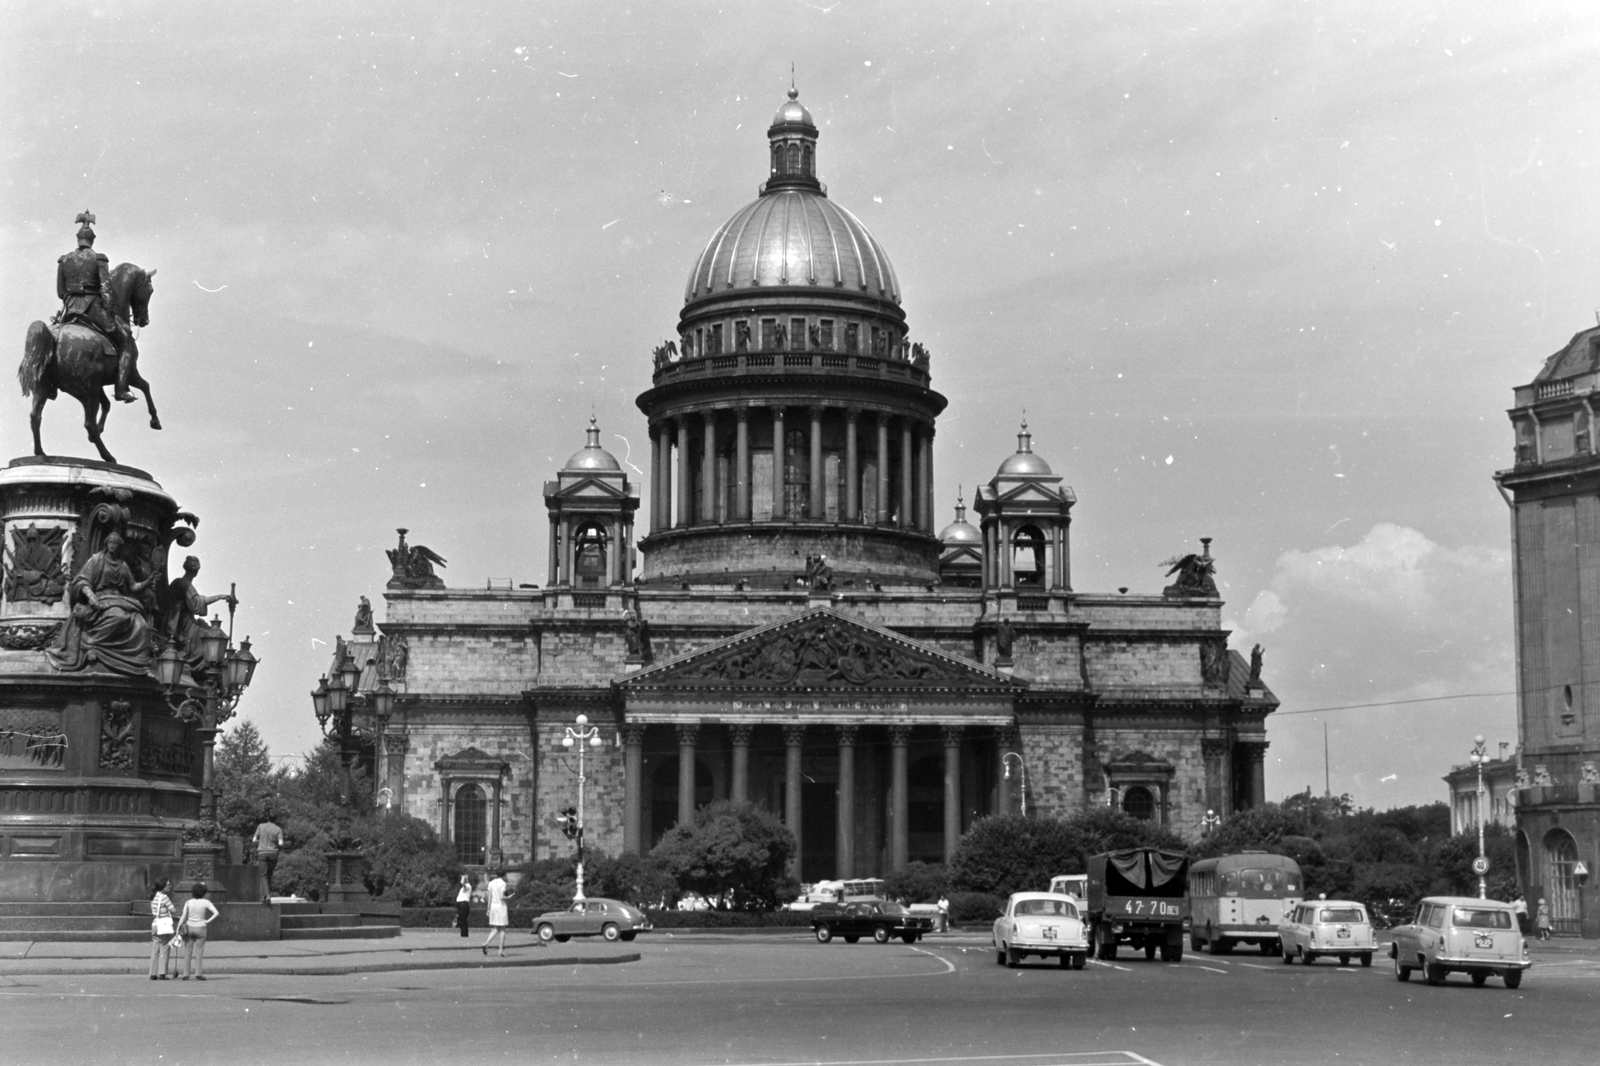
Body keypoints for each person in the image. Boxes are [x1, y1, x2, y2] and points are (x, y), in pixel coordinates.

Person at [47, 532, 155, 675]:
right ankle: (90, 644)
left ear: (120, 546)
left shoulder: (123, 565)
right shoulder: (96, 560)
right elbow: (81, 581)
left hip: (121, 600)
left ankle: (139, 662)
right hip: (101, 599)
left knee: (142, 625)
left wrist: (148, 582)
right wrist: (91, 596)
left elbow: (133, 587)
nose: (113, 546)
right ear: (106, 543)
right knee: (119, 617)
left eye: (116, 543)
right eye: (111, 542)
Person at [56, 211, 137, 402]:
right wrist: (111, 311)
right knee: (125, 342)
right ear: (92, 241)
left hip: (69, 309)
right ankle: (121, 389)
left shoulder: (64, 260)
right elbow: (106, 289)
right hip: (92, 308)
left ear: (78, 239)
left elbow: (60, 292)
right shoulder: (99, 259)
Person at [177, 883, 220, 980]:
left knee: (187, 952)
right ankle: (198, 974)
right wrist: (207, 921)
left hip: (189, 927)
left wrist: (178, 927)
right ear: (204, 893)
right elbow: (216, 913)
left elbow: (183, 916)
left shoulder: (188, 902)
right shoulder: (206, 902)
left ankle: (185, 974)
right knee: (199, 952)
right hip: (201, 927)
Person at [148, 877, 177, 980]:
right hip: (163, 925)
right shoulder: (164, 897)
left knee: (155, 949)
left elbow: (153, 913)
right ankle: (162, 973)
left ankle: (153, 973)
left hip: (155, 924)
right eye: (168, 885)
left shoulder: (153, 897)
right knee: (164, 948)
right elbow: (173, 910)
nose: (170, 886)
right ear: (163, 886)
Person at [253, 813, 284, 902]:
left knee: (263, 875)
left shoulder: (260, 826)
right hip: (273, 853)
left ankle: (267, 895)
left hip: (262, 853)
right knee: (269, 875)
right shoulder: (278, 829)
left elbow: (254, 840)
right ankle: (265, 896)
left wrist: (260, 842)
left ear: (268, 817)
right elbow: (281, 843)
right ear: (276, 819)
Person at [480, 870, 512, 957]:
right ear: (504, 875)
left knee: (495, 929)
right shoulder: (503, 883)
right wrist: (509, 897)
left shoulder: (491, 883)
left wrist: (488, 909)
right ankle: (500, 950)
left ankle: (486, 943)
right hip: (501, 907)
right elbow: (501, 897)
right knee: (502, 929)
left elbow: (489, 897)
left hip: (493, 907)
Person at [455, 874, 475, 939]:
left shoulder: (468, 886)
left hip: (463, 904)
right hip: (461, 904)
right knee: (462, 919)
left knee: (463, 920)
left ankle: (464, 934)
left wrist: (463, 877)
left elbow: (462, 883)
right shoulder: (464, 888)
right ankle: (463, 934)